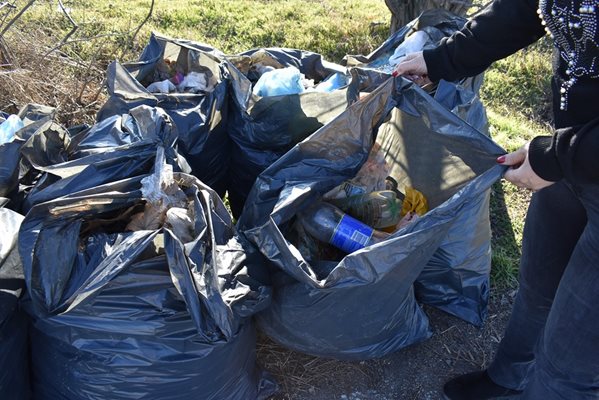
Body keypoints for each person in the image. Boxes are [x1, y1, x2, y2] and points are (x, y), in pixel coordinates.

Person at [393, 1, 599, 399]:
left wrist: (557, 157)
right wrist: (441, 60)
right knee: (537, 291)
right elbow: (528, 9)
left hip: (570, 156)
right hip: (568, 156)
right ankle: (507, 381)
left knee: (569, 369)